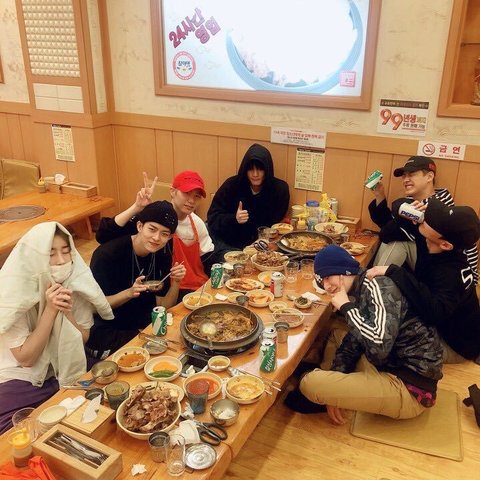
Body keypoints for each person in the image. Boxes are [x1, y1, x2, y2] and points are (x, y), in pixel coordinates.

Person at [297, 245, 443, 423]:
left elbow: (378, 348)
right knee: (336, 336)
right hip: (387, 365)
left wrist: (347, 308)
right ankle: (333, 389)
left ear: (344, 270)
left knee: (309, 383)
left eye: (328, 277)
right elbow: (356, 339)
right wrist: (335, 388)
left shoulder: (379, 286)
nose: (326, 286)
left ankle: (327, 388)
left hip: (409, 388)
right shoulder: (360, 287)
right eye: (322, 282)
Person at [0, 222, 113, 434]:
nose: (61, 261)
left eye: (65, 252)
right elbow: (26, 359)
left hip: (63, 362)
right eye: (50, 254)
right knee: (14, 431)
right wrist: (50, 310)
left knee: (112, 391)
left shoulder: (74, 281)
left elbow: (83, 338)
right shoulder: (12, 293)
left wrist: (67, 312)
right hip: (22, 376)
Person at [367, 198, 480, 363]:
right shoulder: (432, 240)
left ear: (445, 245)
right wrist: (407, 212)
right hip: (438, 323)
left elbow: (434, 312)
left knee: (382, 346)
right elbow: (389, 227)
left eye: (434, 221)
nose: (427, 218)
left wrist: (395, 272)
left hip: (454, 345)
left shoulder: (451, 272)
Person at [85, 201, 186, 360]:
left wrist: (176, 282)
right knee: (147, 355)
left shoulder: (162, 252)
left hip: (141, 323)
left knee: (177, 340)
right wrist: (129, 293)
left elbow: (163, 306)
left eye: (164, 234)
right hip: (108, 329)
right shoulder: (108, 254)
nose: (156, 238)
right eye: (152, 229)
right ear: (139, 226)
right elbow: (93, 308)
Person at [96, 171, 215, 298]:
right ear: (172, 191)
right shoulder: (153, 217)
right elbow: (103, 235)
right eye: (186, 193)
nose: (191, 200)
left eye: (197, 196)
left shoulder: (197, 223)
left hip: (191, 285)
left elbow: (208, 257)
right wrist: (137, 207)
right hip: (161, 288)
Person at [368, 155, 478, 284]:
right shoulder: (413, 203)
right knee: (392, 241)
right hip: (430, 263)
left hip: (453, 276)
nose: (406, 179)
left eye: (412, 174)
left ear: (429, 177)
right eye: (404, 176)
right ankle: (370, 284)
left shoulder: (439, 209)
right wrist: (380, 195)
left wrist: (400, 207)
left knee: (396, 243)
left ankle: (370, 286)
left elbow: (388, 233)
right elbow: (387, 225)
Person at [207, 143, 290, 250]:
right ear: (244, 170)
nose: (255, 174)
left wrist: (261, 241)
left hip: (264, 244)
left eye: (260, 169)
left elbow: (276, 223)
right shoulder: (231, 185)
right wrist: (234, 218)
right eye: (250, 169)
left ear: (267, 170)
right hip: (229, 244)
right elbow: (212, 218)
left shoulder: (279, 190)